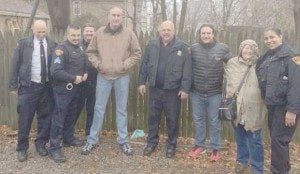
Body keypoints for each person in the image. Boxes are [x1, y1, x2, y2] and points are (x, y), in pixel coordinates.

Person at [81, 7, 141, 156]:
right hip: (104, 76)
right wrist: (100, 65)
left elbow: (137, 53)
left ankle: (123, 140)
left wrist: (124, 65)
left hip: (122, 77)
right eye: (113, 15)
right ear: (109, 16)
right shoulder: (99, 33)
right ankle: (92, 139)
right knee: (99, 108)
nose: (116, 18)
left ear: (122, 18)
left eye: (119, 15)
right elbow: (91, 52)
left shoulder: (129, 34)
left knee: (121, 110)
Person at [138, 20, 192, 158]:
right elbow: (144, 64)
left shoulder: (182, 47)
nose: (166, 32)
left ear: (173, 31)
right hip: (155, 89)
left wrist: (185, 89)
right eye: (164, 30)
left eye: (169, 30)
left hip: (172, 91)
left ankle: (171, 145)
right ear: (159, 31)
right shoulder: (152, 45)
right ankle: (151, 143)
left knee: (172, 119)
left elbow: (187, 70)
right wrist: (141, 82)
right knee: (153, 118)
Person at [9, 20, 56, 162]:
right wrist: (13, 86)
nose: (41, 34)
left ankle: (41, 144)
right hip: (28, 87)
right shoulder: (24, 44)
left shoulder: (53, 44)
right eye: (39, 31)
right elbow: (15, 64)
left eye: (44, 31)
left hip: (46, 87)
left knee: (45, 118)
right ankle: (22, 148)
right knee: (25, 119)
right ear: (32, 29)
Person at [256, 28, 299, 174]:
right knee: (279, 141)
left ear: (281, 36)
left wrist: (292, 110)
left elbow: (296, 85)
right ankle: (283, 170)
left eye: (272, 37)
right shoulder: (266, 58)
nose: (269, 40)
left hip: (285, 107)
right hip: (272, 106)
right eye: (266, 38)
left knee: (278, 141)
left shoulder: (292, 56)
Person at [188, 24, 232, 161]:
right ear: (199, 34)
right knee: (198, 120)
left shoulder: (223, 48)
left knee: (214, 121)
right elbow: (186, 66)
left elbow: (234, 65)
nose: (206, 35)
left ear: (213, 34)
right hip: (196, 92)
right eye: (203, 33)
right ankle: (199, 145)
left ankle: (215, 148)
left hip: (215, 92)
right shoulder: (193, 49)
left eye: (208, 33)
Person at [224, 40, 266, 173]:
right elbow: (227, 81)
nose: (247, 51)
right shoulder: (232, 63)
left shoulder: (261, 64)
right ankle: (242, 161)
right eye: (245, 48)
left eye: (251, 49)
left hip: (254, 108)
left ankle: (257, 168)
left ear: (255, 51)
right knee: (240, 137)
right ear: (240, 49)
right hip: (236, 108)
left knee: (255, 140)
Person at [49, 24, 88, 163]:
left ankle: (68, 138)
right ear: (67, 35)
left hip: (77, 89)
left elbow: (84, 64)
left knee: (72, 115)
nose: (76, 38)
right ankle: (54, 147)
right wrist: (73, 78)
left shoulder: (81, 48)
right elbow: (55, 71)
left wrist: (85, 72)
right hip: (63, 90)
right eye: (73, 35)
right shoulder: (61, 49)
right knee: (59, 118)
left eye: (78, 35)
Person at [76, 24, 97, 136]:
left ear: (95, 33)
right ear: (83, 33)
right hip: (79, 82)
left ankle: (89, 133)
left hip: (94, 81)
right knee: (76, 107)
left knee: (91, 108)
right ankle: (68, 132)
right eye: (87, 31)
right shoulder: (77, 45)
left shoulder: (98, 45)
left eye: (91, 31)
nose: (89, 33)